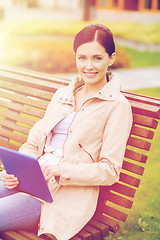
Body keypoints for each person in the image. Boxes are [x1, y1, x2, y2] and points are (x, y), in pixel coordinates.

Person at [0, 24, 133, 240]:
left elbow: (110, 170)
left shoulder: (117, 106)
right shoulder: (63, 95)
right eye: (82, 58)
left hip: (59, 196)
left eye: (97, 58)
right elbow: (33, 143)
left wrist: (62, 169)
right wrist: (19, 170)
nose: (88, 66)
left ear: (111, 58)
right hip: (31, 180)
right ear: (76, 58)